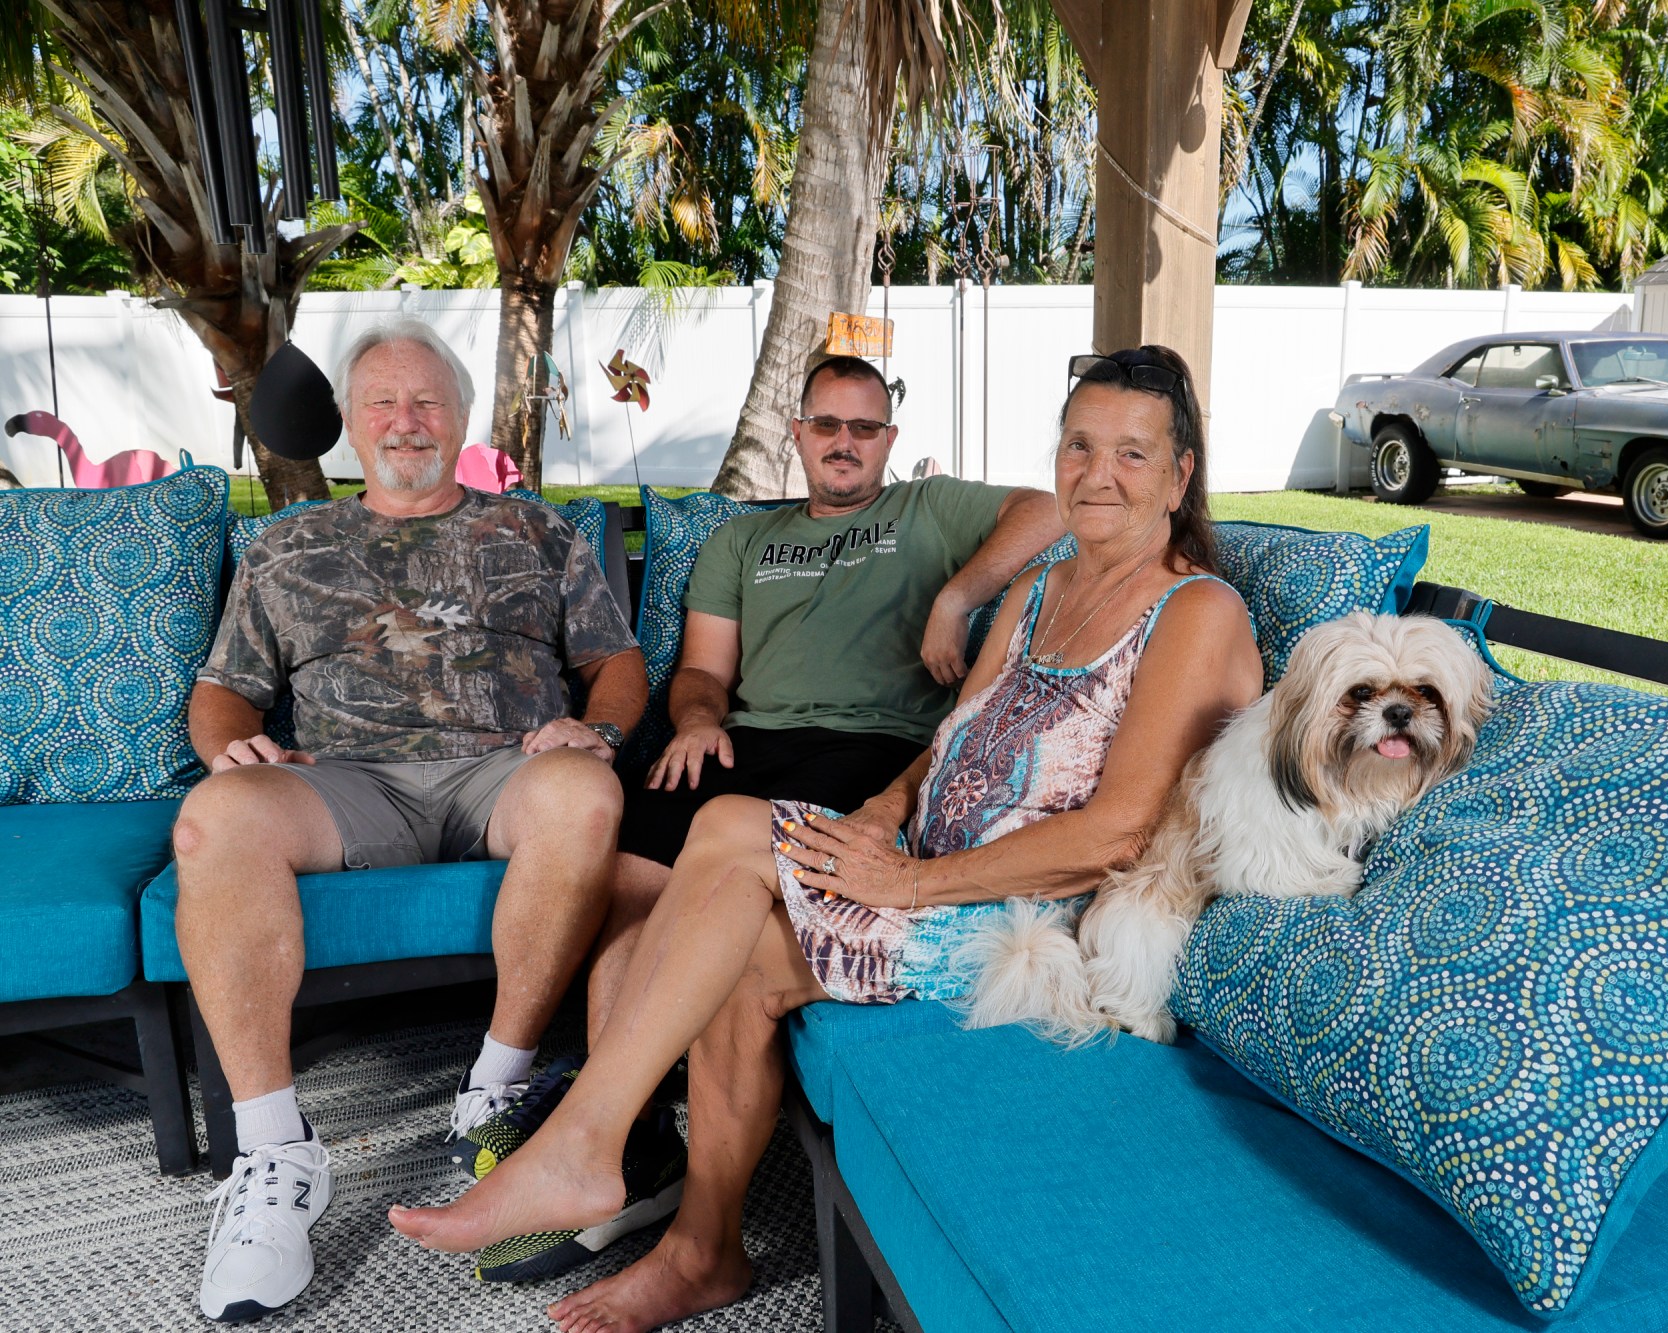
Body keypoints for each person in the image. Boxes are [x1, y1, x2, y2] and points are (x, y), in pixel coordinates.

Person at [387, 345, 1267, 1333]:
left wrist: (909, 884)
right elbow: (944, 746)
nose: (1095, 473)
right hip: (925, 865)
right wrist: (884, 815)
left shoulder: (1194, 610)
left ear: (1180, 474)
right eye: (1078, 444)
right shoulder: (1040, 590)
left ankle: (601, 1153)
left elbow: (1114, 834)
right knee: (733, 891)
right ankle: (687, 1233)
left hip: (1023, 924)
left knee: (734, 881)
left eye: (1132, 455)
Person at [445, 354, 1064, 1286]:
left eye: (865, 428)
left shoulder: (929, 511)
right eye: (827, 425)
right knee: (628, 882)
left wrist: (956, 593)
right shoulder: (743, 540)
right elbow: (701, 672)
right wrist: (695, 719)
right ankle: (638, 1141)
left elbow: (1051, 508)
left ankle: (602, 1136)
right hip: (744, 740)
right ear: (799, 433)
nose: (845, 444)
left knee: (717, 856)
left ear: (890, 441)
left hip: (875, 750)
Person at [172, 317, 646, 1322]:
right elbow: (221, 694)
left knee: (586, 791)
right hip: (346, 780)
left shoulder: (537, 531)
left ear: (463, 416)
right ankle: (272, 1158)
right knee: (215, 820)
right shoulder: (289, 544)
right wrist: (231, 750)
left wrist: (594, 728)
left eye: (427, 400)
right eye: (382, 402)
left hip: (504, 768)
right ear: (349, 422)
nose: (405, 420)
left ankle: (498, 1089)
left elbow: (617, 665)